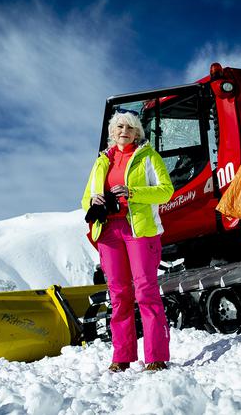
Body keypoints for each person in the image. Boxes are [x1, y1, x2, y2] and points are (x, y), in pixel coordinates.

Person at [81, 107, 174, 372]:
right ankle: (121, 357)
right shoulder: (101, 162)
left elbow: (166, 191)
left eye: (130, 127)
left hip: (139, 230)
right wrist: (93, 199)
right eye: (120, 127)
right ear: (112, 132)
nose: (125, 132)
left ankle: (156, 356)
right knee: (119, 294)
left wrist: (133, 192)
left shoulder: (148, 157)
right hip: (109, 231)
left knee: (145, 291)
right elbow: (85, 196)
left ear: (137, 132)